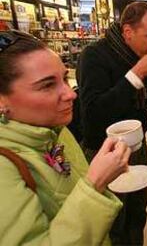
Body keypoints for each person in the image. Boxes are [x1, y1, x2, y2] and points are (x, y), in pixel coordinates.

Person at [0, 30, 131, 245]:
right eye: (47, 85)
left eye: (64, 78)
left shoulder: (54, 130)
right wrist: (95, 182)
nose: (71, 94)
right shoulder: (4, 165)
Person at [77, 2, 147, 245]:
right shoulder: (94, 55)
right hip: (105, 154)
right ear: (128, 32)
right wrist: (137, 74)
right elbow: (94, 113)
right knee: (113, 223)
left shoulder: (133, 54)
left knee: (137, 215)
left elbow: (129, 95)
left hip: (136, 150)